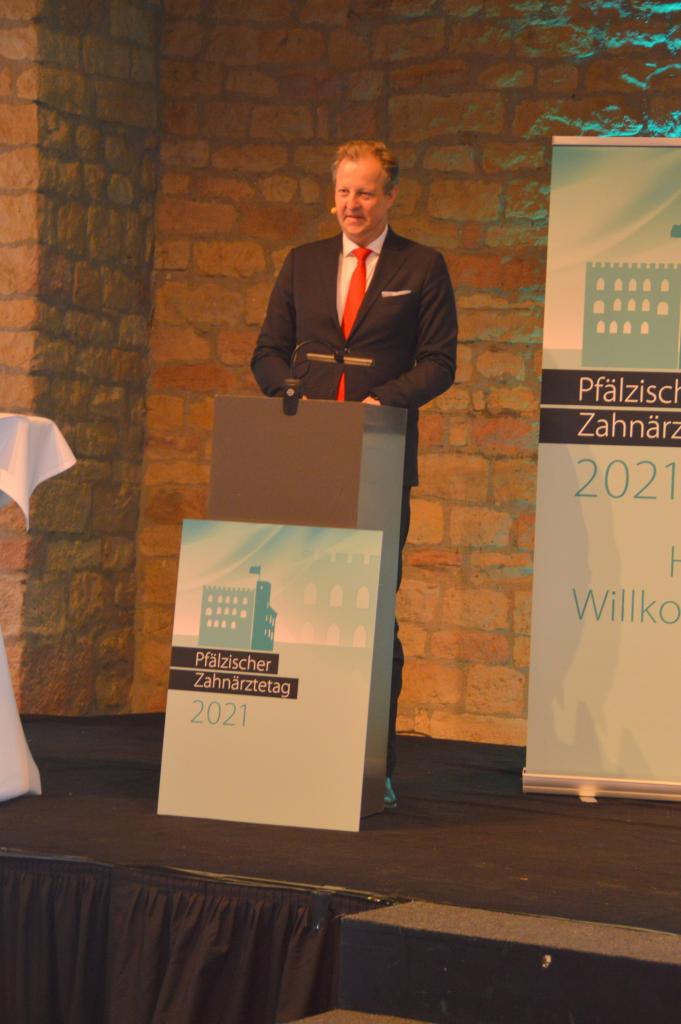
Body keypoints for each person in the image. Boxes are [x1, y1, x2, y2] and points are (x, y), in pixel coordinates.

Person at [251, 139, 458, 808]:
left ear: (390, 197)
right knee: (291, 607)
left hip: (377, 457)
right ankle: (290, 751)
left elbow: (439, 363)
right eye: (343, 192)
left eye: (365, 192)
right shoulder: (303, 262)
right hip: (305, 454)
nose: (352, 204)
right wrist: (290, 393)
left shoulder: (421, 266)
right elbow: (267, 352)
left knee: (368, 613)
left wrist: (379, 402)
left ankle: (373, 765)